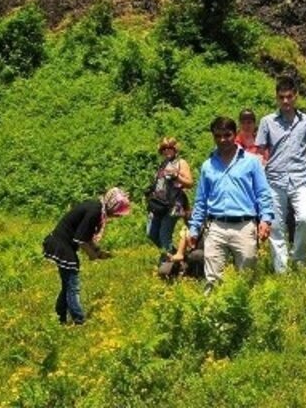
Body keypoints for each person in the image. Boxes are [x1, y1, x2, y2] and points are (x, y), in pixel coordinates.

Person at [188, 116, 274, 288]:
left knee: (246, 277)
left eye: (227, 135)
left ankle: (243, 313)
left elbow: (263, 193)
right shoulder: (208, 166)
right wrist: (194, 228)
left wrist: (265, 219)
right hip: (216, 226)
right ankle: (213, 312)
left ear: (235, 135)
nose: (222, 140)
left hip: (244, 225)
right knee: (212, 279)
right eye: (218, 136)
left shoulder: (251, 162)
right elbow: (201, 200)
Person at [256, 76, 306, 273]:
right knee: (276, 225)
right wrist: (258, 180)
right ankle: (281, 267)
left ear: (296, 97)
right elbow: (260, 152)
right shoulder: (267, 122)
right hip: (274, 179)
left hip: (300, 178)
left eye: (289, 97)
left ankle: (300, 257)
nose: (285, 101)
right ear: (277, 97)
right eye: (281, 97)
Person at [42, 187, 131, 325]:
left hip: (63, 245)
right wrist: (93, 256)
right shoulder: (95, 211)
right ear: (112, 206)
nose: (117, 216)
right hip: (61, 246)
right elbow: (80, 240)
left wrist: (98, 251)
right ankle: (79, 321)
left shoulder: (96, 208)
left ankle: (60, 318)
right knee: (73, 286)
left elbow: (86, 235)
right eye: (117, 213)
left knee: (67, 285)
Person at [145, 137, 193, 255]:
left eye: (169, 148)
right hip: (159, 204)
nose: (166, 151)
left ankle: (171, 263)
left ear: (175, 149)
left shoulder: (181, 162)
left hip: (174, 205)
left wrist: (176, 176)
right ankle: (174, 254)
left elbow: (190, 183)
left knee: (164, 235)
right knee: (151, 233)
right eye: (164, 149)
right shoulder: (163, 164)